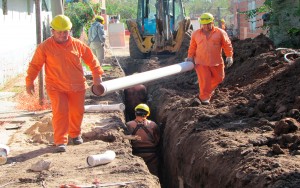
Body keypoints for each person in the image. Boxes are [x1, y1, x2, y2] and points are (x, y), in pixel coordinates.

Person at [25, 15, 104, 152]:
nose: (63, 35)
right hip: (56, 87)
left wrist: (97, 76)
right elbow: (35, 65)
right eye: (60, 32)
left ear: (70, 31)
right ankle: (60, 141)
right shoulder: (45, 47)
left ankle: (75, 134)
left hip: (77, 86)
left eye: (65, 31)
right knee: (60, 112)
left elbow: (92, 60)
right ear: (53, 31)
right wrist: (29, 81)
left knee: (77, 112)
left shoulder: (77, 45)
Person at [186, 13, 233, 105]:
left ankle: (205, 93)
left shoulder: (220, 33)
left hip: (216, 62)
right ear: (201, 24)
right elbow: (192, 47)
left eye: (208, 24)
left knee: (219, 78)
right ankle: (204, 99)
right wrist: (190, 57)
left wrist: (229, 56)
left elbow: (227, 45)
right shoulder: (196, 34)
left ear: (212, 22)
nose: (206, 26)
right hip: (201, 63)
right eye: (204, 24)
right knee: (205, 80)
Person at [125, 104, 160, 176]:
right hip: (151, 155)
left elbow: (126, 139)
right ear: (147, 114)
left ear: (135, 113)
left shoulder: (129, 125)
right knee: (153, 174)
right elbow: (158, 139)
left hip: (136, 155)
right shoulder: (153, 125)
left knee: (139, 175)